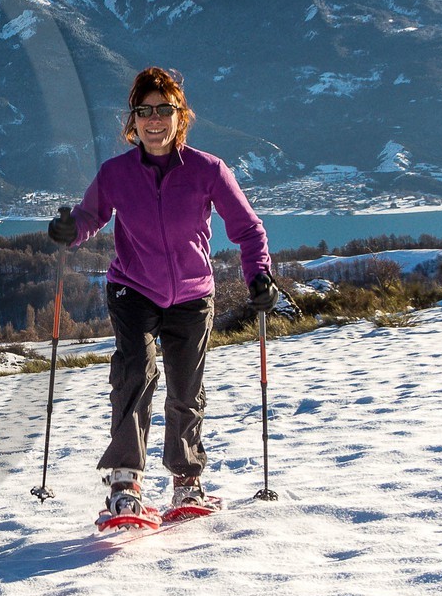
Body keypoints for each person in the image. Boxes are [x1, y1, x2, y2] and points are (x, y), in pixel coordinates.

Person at [47, 67, 279, 522]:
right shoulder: (115, 173)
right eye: (144, 110)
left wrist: (259, 276)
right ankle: (124, 481)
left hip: (193, 295)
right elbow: (90, 216)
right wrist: (70, 229)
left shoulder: (208, 170)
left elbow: (248, 229)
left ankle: (186, 480)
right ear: (132, 120)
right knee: (134, 375)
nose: (154, 119)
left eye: (163, 110)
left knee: (185, 390)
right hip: (132, 289)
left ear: (180, 116)